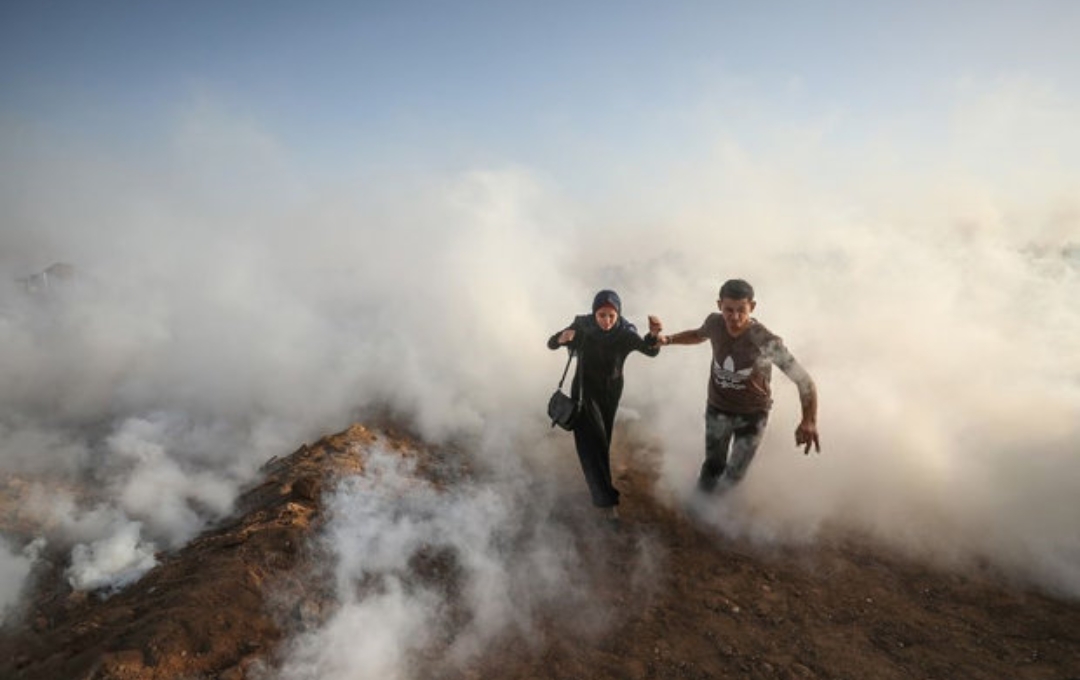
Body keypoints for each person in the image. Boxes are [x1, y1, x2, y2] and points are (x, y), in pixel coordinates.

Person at [656, 279, 819, 494]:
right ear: (719, 305)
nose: (734, 317)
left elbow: (804, 381)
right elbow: (697, 335)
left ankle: (721, 506)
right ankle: (700, 505)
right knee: (713, 465)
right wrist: (668, 340)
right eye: (728, 310)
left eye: (741, 310)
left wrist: (809, 421)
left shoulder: (764, 339)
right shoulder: (714, 324)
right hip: (718, 408)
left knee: (736, 472)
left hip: (753, 414)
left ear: (752, 307)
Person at [548, 290, 662, 520]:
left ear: (618, 314)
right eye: (601, 315)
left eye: (611, 315)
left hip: (610, 393)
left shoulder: (625, 333)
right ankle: (606, 502)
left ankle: (599, 487)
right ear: (594, 313)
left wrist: (653, 334)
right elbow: (551, 343)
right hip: (584, 392)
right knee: (592, 444)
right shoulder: (583, 325)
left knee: (602, 441)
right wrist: (562, 338)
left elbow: (649, 351)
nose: (606, 321)